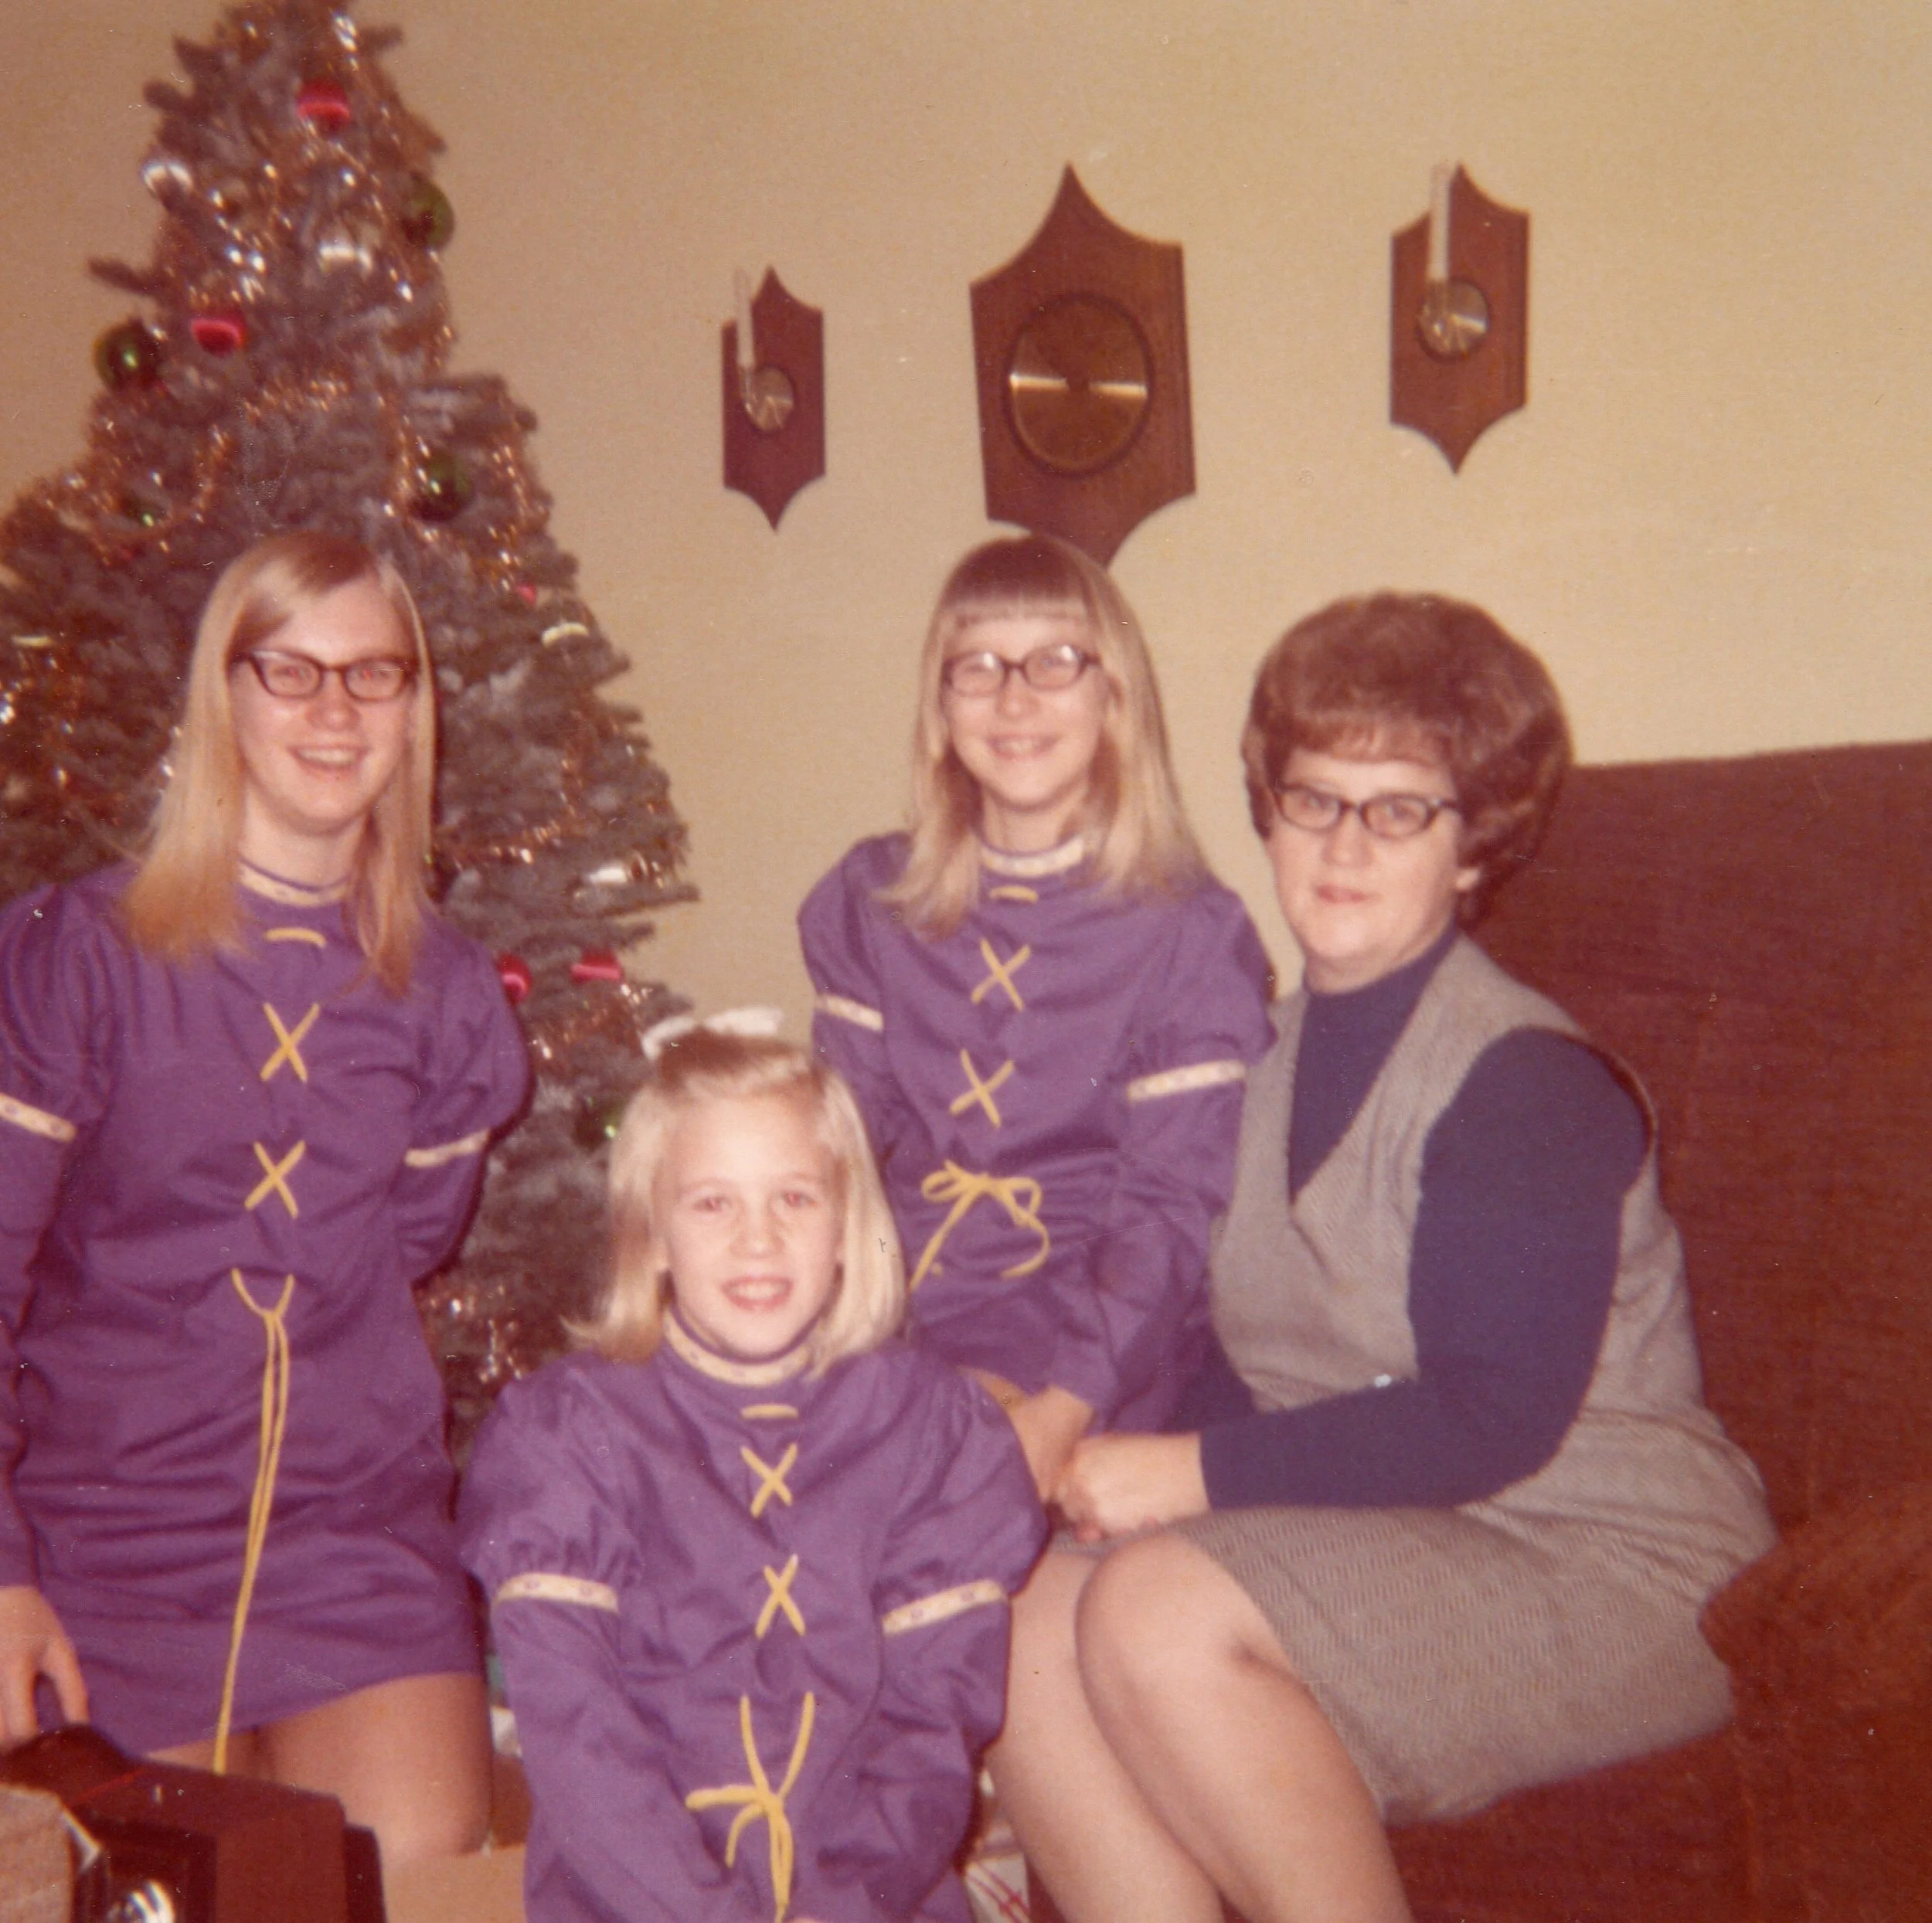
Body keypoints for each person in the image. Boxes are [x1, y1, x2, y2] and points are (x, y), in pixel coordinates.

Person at [988, 593, 1778, 1923]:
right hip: (1405, 1533)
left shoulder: (1525, 1080)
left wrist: (1175, 1475)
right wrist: (1058, 1443)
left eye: (1399, 806)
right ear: (1271, 810)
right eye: (1314, 798)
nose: (1346, 841)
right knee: (1013, 1617)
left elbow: (1492, 1415)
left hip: (1616, 1561)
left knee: (1156, 1606)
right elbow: (1254, 1367)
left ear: (1474, 848)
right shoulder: (1250, 1058)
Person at [0, 532, 529, 1864]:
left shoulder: (452, 998)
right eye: (288, 669)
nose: (335, 710)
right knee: (144, 1881)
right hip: (97, 1531)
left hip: (348, 1539)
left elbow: (400, 1243)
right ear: (221, 693)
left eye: (373, 673)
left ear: (417, 708)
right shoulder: (80, 952)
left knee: (407, 1865)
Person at [460, 1024, 1045, 1923]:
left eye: (795, 1198)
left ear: (847, 1226)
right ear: (651, 1236)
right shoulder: (573, 1432)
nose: (758, 1239)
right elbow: (580, 1739)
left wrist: (844, 1904)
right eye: (711, 1204)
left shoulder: (933, 1431)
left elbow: (932, 1725)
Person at [798, 535, 1273, 1500]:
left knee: (920, 1472)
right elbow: (838, 1155)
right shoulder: (870, 898)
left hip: (1085, 1319)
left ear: (1114, 699)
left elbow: (1168, 1217)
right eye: (976, 667)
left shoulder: (1189, 931)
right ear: (939, 711)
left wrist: (1060, 1407)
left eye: (1056, 661)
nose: (1014, 698)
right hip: (894, 1301)